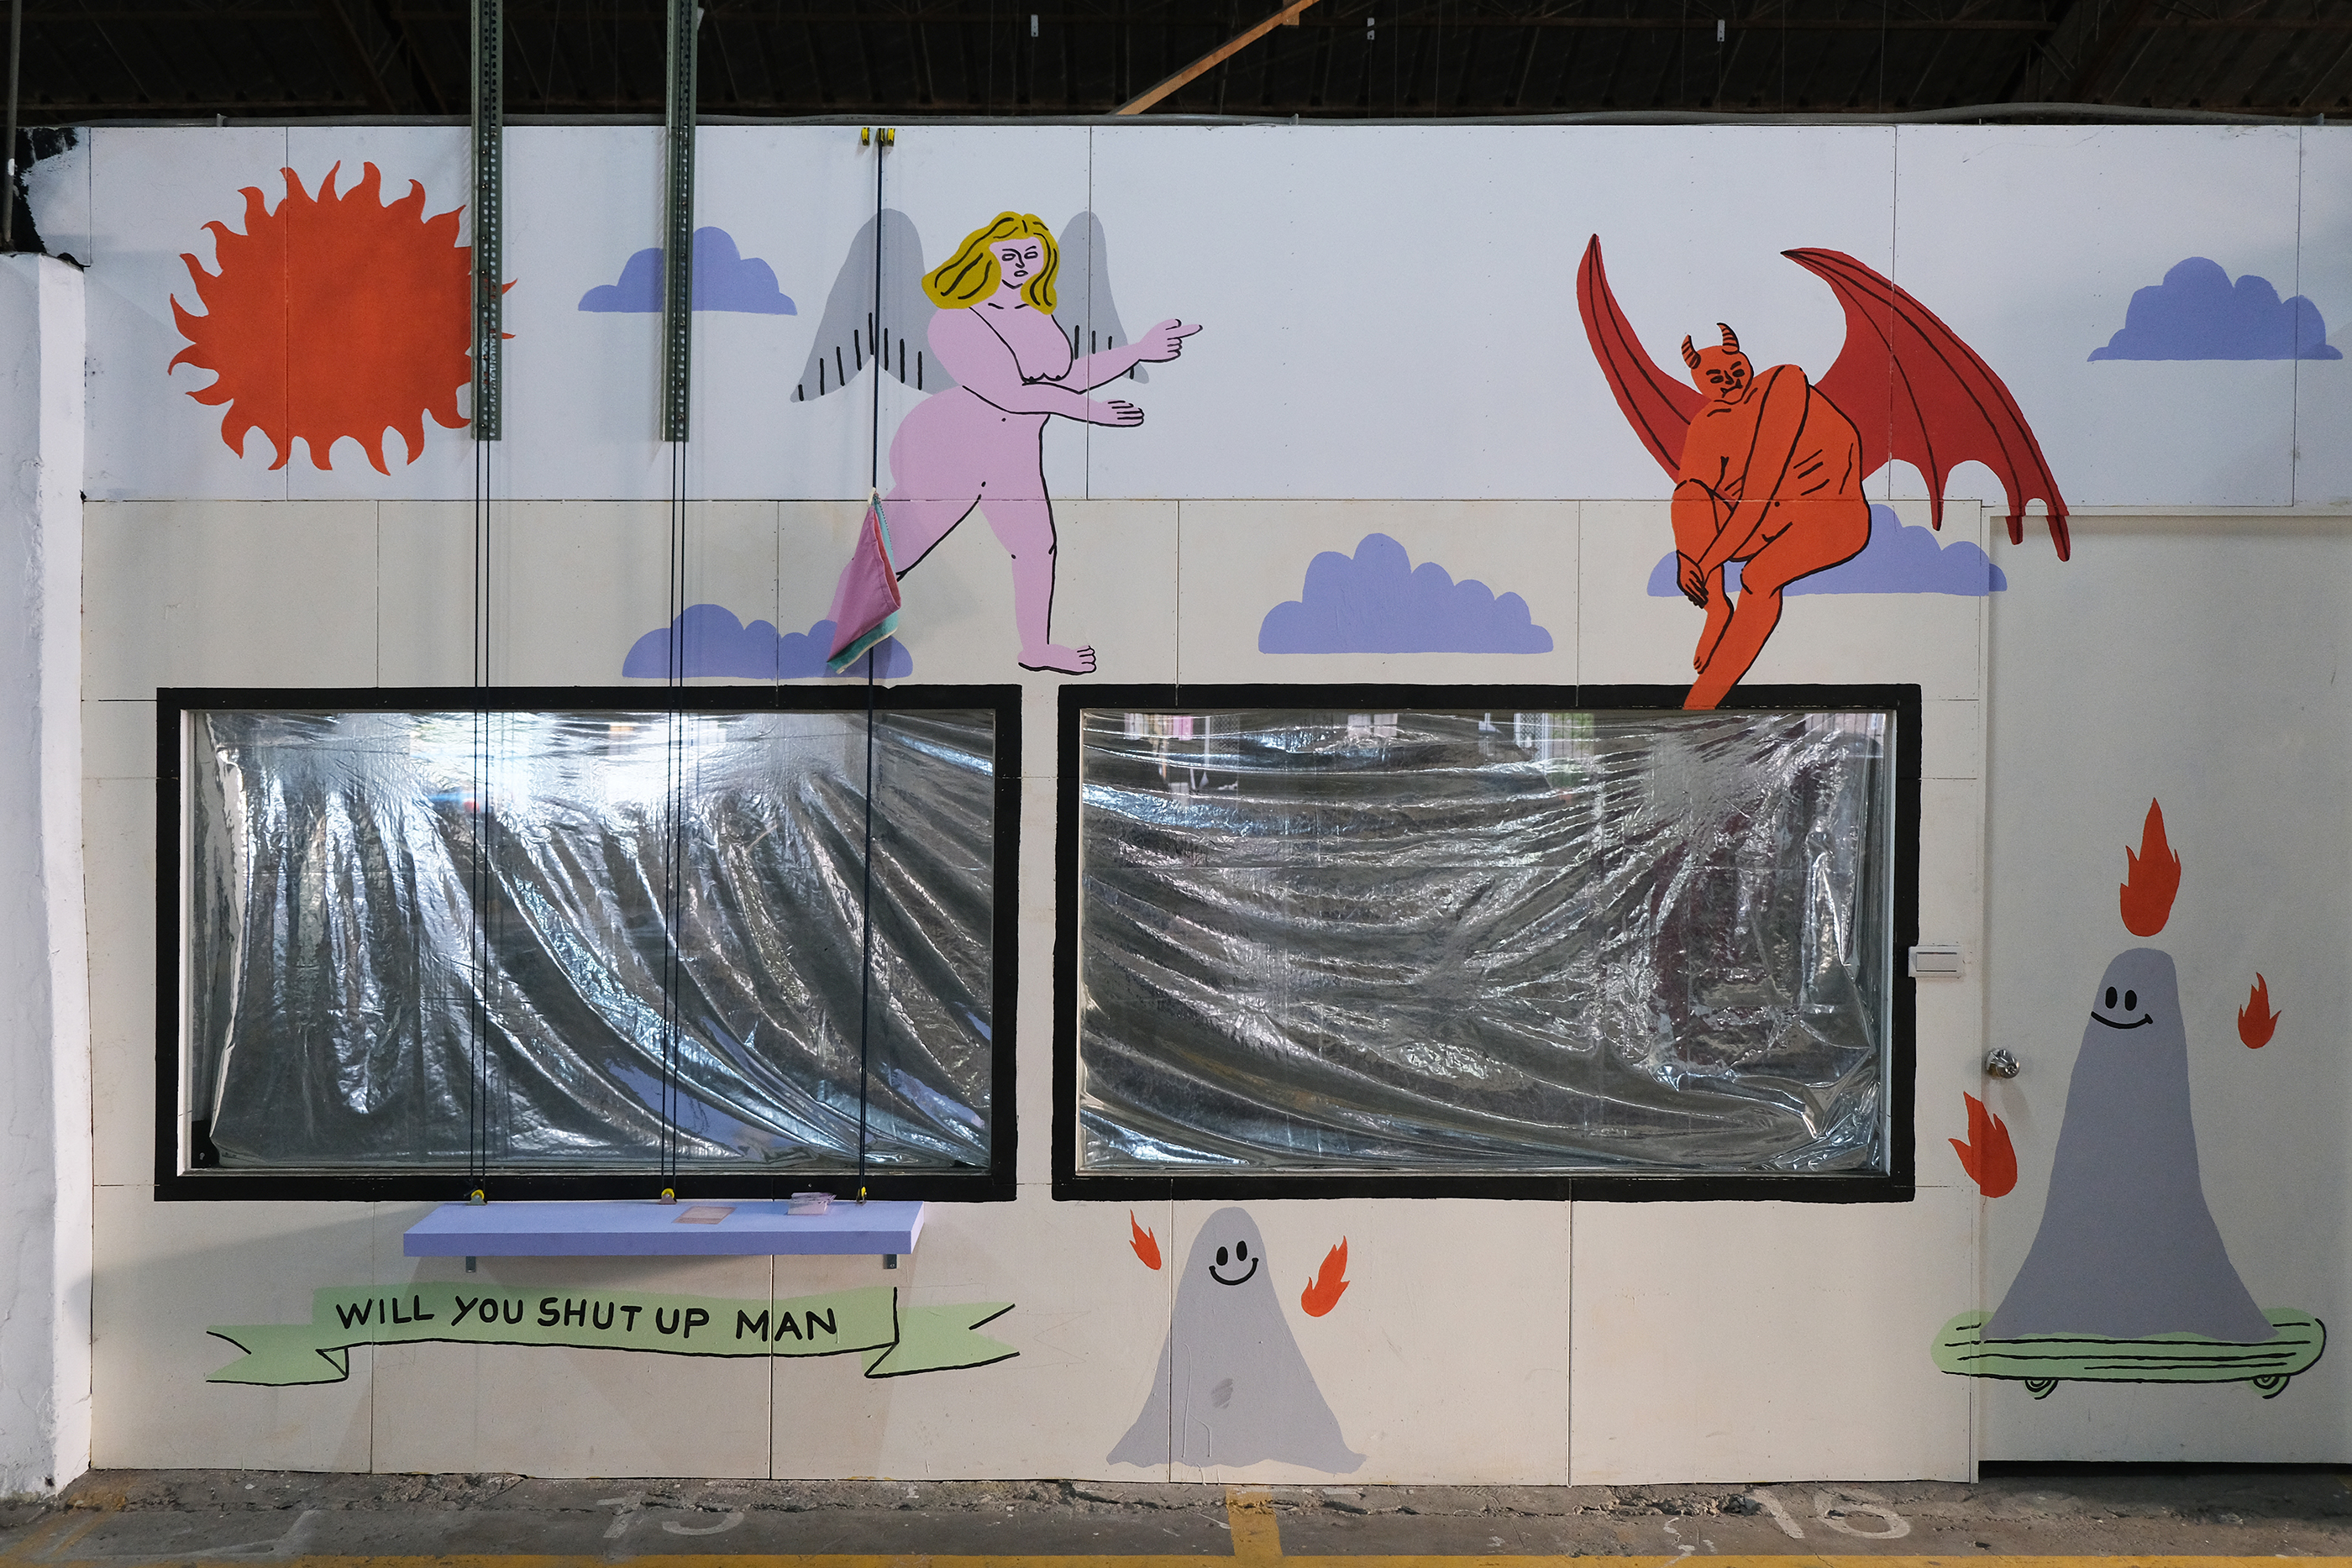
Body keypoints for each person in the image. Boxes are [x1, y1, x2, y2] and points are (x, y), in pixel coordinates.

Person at [870, 212, 1200, 674]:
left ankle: (1037, 649)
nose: (1022, 263)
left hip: (1014, 453)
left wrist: (1138, 351)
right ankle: (849, 623)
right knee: (903, 546)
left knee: (1036, 546)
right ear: (984, 258)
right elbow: (1011, 393)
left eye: (1032, 253)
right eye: (1009, 255)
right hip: (954, 447)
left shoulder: (1037, 317)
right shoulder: (957, 320)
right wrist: (1092, 411)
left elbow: (1063, 379)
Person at [1669, 323, 1871, 710]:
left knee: (1758, 577)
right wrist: (1686, 558)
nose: (1731, 382)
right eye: (1717, 379)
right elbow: (1692, 497)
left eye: (1736, 370)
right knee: (1690, 493)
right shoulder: (1707, 425)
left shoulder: (1785, 383)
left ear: (1747, 361)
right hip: (1770, 522)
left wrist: (1704, 561)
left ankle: (1700, 703)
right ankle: (1716, 607)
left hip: (1831, 518)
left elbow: (1757, 496)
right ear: (1700, 383)